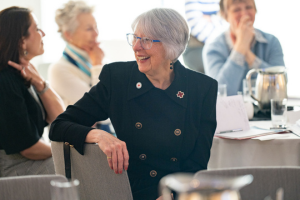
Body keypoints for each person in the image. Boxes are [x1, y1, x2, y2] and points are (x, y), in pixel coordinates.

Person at [49, 8, 217, 200]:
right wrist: (98, 135)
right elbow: (58, 126)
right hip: (129, 193)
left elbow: (197, 164)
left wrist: (172, 195)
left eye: (146, 40)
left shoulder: (202, 88)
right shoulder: (118, 79)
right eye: (135, 38)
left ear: (172, 46)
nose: (136, 47)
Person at [0, 7, 65, 177]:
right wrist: (67, 152)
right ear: (22, 41)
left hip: (31, 161)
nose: (43, 33)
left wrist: (40, 84)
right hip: (14, 168)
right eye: (36, 28)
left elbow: (60, 119)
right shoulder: (5, 81)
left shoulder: (26, 74)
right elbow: (29, 149)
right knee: (81, 167)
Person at [48, 1, 111, 132]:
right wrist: (98, 65)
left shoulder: (97, 58)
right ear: (68, 35)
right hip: (82, 146)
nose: (96, 33)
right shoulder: (59, 69)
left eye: (96, 27)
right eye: (89, 29)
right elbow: (98, 110)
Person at [203, 0, 285, 96]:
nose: (244, 14)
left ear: (255, 10)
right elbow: (220, 92)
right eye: (236, 10)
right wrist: (240, 47)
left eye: (248, 7)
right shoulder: (213, 48)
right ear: (225, 16)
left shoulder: (271, 42)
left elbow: (280, 87)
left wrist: (247, 53)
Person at [183, 0, 225, 73]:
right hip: (196, 47)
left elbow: (227, 22)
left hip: (221, 45)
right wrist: (216, 19)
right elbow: (196, 25)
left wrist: (210, 19)